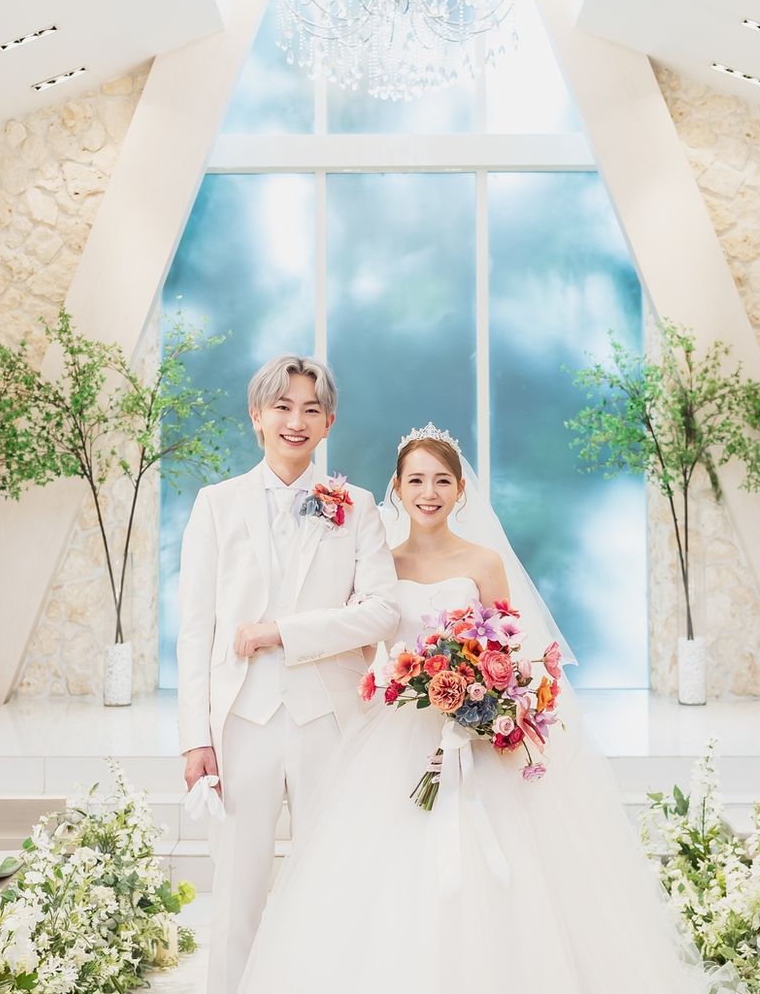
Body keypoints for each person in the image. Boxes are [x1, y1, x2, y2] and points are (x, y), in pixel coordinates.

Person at [236, 423, 708, 994]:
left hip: (475, 733)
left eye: (442, 480)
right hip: (396, 732)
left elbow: (510, 645)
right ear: (396, 487)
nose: (428, 492)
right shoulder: (380, 562)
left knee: (502, 865)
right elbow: (363, 644)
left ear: (461, 490)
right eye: (416, 480)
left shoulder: (483, 562)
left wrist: (486, 698)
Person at [176, 354, 399, 994]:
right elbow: (195, 630)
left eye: (310, 409)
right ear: (257, 416)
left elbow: (383, 612)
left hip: (330, 718)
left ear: (329, 422)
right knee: (236, 891)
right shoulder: (216, 505)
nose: (295, 421)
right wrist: (195, 738)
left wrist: (284, 632)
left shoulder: (357, 507)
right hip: (241, 720)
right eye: (282, 407)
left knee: (331, 882)